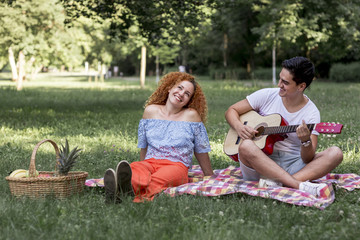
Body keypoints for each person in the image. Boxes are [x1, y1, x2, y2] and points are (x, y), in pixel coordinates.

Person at [225, 56, 343, 197]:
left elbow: (307, 159)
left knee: (336, 153)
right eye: (280, 79)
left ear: (301, 86)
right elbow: (231, 111)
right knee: (245, 146)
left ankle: (280, 183)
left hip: (293, 164)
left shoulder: (311, 113)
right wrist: (239, 127)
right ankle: (297, 184)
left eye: (285, 82)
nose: (279, 84)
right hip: (260, 163)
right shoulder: (267, 95)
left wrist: (305, 141)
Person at [104, 72, 214, 203]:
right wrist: (143, 165)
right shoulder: (150, 111)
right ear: (170, 88)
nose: (181, 94)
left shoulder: (191, 115)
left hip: (177, 166)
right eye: (179, 87)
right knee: (135, 169)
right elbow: (143, 146)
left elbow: (200, 149)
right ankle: (125, 188)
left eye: (187, 94)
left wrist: (209, 175)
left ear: (189, 101)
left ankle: (131, 197)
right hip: (150, 162)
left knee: (158, 179)